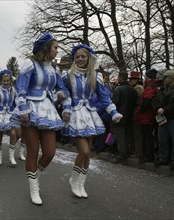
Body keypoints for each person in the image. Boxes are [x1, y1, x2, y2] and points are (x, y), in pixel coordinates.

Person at [15, 32, 71, 205]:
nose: (57, 50)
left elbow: (61, 90)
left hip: (48, 110)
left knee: (49, 152)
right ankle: (34, 187)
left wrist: (64, 101)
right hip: (31, 109)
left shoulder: (54, 69)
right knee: (32, 150)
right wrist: (23, 108)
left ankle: (35, 175)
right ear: (46, 48)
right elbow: (21, 88)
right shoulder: (29, 64)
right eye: (55, 47)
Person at [61, 44, 122, 198]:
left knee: (88, 154)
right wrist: (65, 106)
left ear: (89, 58)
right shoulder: (68, 75)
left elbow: (104, 97)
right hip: (75, 114)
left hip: (90, 115)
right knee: (85, 151)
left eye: (83, 56)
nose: (80, 59)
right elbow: (63, 92)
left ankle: (81, 184)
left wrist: (113, 112)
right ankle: (74, 180)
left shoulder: (96, 76)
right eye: (78, 57)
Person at [0, 69, 21, 167]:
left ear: (10, 80)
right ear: (1, 81)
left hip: (10, 115)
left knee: (13, 134)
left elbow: (16, 103)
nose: (6, 83)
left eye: (8, 81)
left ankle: (11, 157)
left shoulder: (14, 90)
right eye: (4, 81)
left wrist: (19, 112)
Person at [152, 70, 174, 170]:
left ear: (171, 78)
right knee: (162, 138)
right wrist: (158, 108)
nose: (163, 79)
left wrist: (164, 109)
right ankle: (163, 158)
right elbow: (155, 100)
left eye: (165, 77)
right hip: (162, 117)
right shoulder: (162, 90)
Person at [110, 72, 138, 165]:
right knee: (127, 137)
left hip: (119, 116)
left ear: (121, 78)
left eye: (118, 77)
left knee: (120, 138)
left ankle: (122, 156)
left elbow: (114, 103)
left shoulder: (118, 89)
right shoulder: (133, 90)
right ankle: (126, 154)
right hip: (130, 117)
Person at [136, 68, 159, 163]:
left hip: (147, 116)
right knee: (149, 136)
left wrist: (139, 109)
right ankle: (149, 155)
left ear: (148, 77)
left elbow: (146, 100)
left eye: (145, 76)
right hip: (150, 115)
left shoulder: (150, 87)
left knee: (147, 137)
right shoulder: (155, 85)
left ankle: (148, 156)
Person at [127, 71, 144, 158]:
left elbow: (133, 99)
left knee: (137, 135)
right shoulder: (133, 87)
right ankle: (133, 151)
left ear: (137, 80)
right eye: (130, 79)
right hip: (133, 113)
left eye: (133, 79)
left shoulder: (138, 88)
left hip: (137, 113)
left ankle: (138, 152)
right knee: (132, 134)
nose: (131, 80)